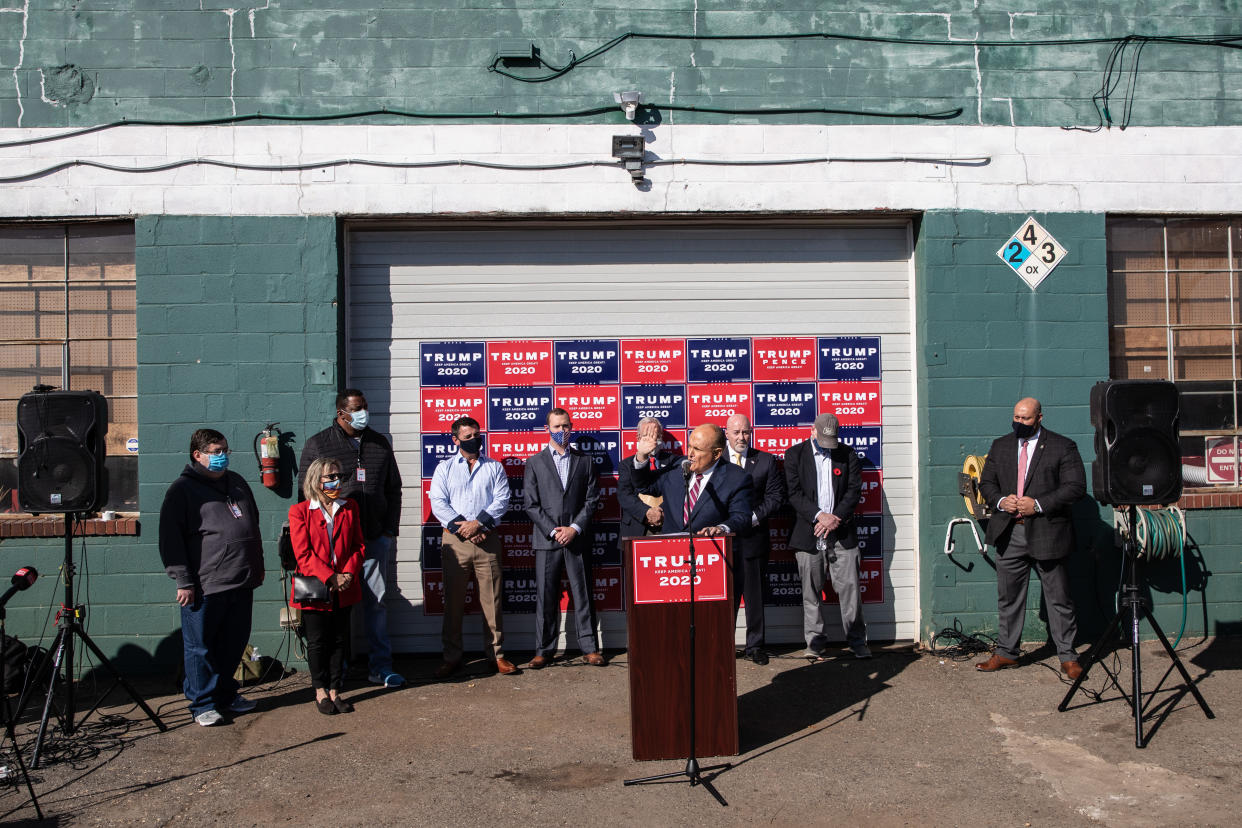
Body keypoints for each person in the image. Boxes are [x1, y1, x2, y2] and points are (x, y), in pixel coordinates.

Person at [299, 389, 405, 688]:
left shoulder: (378, 443)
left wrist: (388, 530)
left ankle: (380, 667)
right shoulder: (319, 443)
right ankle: (337, 672)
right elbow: (305, 493)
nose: (364, 413)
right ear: (341, 413)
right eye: (357, 409)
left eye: (365, 407)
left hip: (371, 539)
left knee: (377, 603)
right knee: (333, 608)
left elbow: (393, 489)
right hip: (333, 544)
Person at [159, 429, 264, 727]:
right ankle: (202, 703)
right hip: (205, 584)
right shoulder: (182, 491)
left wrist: (257, 565)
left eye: (225, 450)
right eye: (216, 451)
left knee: (233, 643)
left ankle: (226, 694)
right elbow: (171, 540)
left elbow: (252, 525)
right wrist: (183, 580)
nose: (223, 456)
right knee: (200, 646)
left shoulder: (238, 483)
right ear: (198, 455)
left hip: (241, 579)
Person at [976, 397, 1087, 679]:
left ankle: (1068, 656)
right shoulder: (1001, 445)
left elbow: (1075, 487)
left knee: (1058, 597)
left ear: (1039, 418)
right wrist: (1001, 501)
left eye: (1025, 418)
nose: (1019, 423)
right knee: (1009, 597)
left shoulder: (1063, 446)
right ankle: (1006, 652)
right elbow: (986, 483)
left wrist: (1037, 504)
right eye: (1016, 417)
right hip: (1009, 532)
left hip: (1048, 532)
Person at [428, 416, 516, 679]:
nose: (474, 439)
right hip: (456, 543)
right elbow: (439, 504)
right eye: (468, 437)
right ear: (455, 440)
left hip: (486, 540)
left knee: (492, 601)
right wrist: (463, 529)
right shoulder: (444, 469)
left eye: (477, 434)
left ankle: (497, 655)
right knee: (453, 603)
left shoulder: (494, 467)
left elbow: (502, 500)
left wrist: (478, 525)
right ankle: (452, 657)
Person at [784, 413, 870, 660]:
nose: (827, 445)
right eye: (823, 439)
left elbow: (853, 492)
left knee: (851, 590)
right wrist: (820, 515)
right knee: (811, 592)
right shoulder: (794, 455)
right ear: (813, 431)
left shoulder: (848, 454)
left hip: (842, 533)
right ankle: (815, 644)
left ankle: (857, 641)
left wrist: (834, 519)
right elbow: (793, 494)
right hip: (808, 534)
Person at [523, 408, 604, 668]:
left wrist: (574, 528)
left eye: (566, 426)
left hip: (577, 539)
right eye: (556, 427)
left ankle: (589, 648)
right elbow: (531, 504)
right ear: (547, 429)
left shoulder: (585, 461)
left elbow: (592, 500)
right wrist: (554, 530)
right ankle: (543, 650)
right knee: (546, 597)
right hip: (547, 540)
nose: (562, 431)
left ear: (571, 427)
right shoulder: (534, 463)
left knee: (583, 594)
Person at [289, 458, 366, 714]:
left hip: (344, 586)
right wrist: (330, 576)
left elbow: (358, 545)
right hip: (316, 586)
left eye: (339, 476)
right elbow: (303, 554)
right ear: (315, 480)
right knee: (318, 641)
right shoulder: (300, 511)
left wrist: (347, 573)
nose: (336, 481)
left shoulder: (350, 507)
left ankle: (335, 689)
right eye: (330, 476)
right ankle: (320, 690)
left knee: (340, 640)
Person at [724, 414, 787, 665]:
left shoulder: (766, 461)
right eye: (736, 432)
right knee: (724, 598)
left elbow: (775, 497)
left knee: (754, 597)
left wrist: (750, 518)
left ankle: (755, 646)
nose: (741, 437)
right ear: (726, 433)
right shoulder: (716, 460)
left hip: (753, 539)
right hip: (724, 542)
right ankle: (724, 645)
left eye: (746, 432)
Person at [631, 423, 753, 536]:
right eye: (689, 446)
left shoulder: (737, 478)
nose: (690, 454)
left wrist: (722, 528)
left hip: (710, 552)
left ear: (716, 454)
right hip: (670, 552)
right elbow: (644, 485)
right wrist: (641, 456)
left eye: (697, 449)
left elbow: (741, 517)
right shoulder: (678, 466)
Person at [617, 417, 679, 537]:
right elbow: (624, 495)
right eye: (647, 435)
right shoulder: (626, 464)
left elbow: (678, 493)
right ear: (638, 438)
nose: (652, 440)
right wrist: (647, 512)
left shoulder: (674, 462)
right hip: (636, 526)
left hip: (668, 525)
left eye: (656, 435)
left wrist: (660, 512)